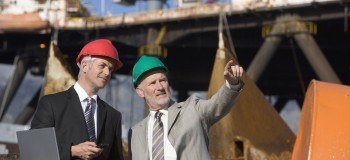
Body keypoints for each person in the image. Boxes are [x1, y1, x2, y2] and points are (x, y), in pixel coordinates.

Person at [128, 55, 244, 160]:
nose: (160, 87)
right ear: (140, 92)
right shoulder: (135, 133)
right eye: (153, 83)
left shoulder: (193, 109)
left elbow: (217, 105)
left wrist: (232, 84)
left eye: (163, 80)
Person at [31, 39, 124, 160]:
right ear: (85, 66)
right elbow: (34, 149)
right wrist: (72, 151)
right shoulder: (51, 104)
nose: (107, 72)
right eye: (102, 66)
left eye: (110, 69)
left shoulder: (113, 116)